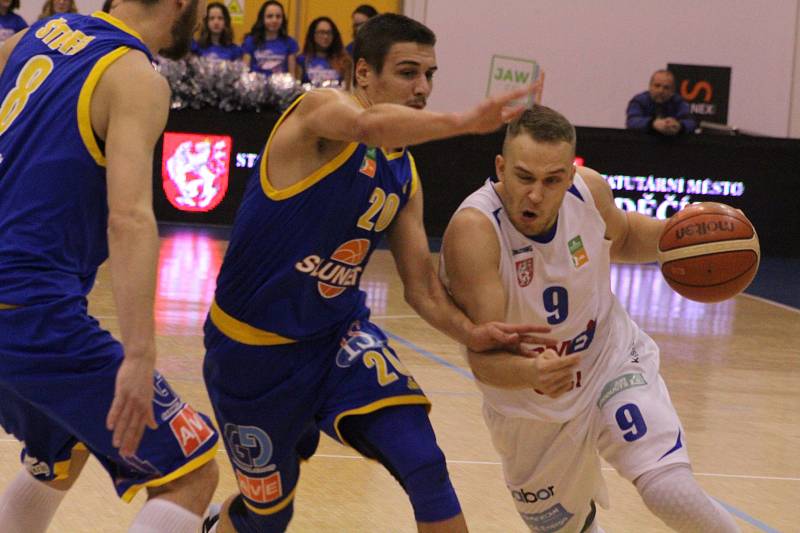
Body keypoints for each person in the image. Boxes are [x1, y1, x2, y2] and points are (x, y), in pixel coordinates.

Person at [201, 12, 544, 533]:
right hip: (251, 355)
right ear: (362, 73)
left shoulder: (404, 170)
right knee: (266, 520)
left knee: (425, 464)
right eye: (408, 72)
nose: (423, 87)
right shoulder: (318, 111)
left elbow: (423, 287)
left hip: (337, 341)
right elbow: (364, 126)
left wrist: (472, 331)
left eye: (430, 75)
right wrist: (464, 122)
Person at [440, 105, 740, 532]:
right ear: (501, 167)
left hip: (607, 361)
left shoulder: (589, 191)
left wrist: (686, 239)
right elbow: (483, 359)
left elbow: (627, 237)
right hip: (529, 403)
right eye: (524, 177)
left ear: (570, 173)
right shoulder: (475, 232)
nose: (536, 195)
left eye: (553, 180)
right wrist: (531, 372)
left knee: (667, 487)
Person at [0, 1, 221, 532]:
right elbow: (129, 220)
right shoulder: (133, 76)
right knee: (191, 478)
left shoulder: (40, 34)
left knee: (60, 451)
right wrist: (140, 354)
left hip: (20, 308)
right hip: (30, 311)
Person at [626, 69, 696, 135]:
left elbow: (691, 123)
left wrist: (679, 126)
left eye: (666, 88)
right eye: (657, 86)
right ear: (650, 87)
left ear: (672, 91)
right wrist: (653, 124)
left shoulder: (678, 102)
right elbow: (631, 122)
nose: (661, 91)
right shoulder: (639, 100)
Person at [241, 0, 297, 76]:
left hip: (280, 86)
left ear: (283, 19)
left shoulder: (290, 42)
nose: (274, 20)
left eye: (278, 16)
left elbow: (292, 75)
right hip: (256, 86)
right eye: (269, 16)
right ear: (262, 19)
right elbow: (244, 72)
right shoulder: (250, 41)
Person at [295, 16, 350, 87]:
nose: (325, 37)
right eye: (321, 32)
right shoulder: (302, 60)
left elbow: (347, 89)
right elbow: (297, 88)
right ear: (313, 35)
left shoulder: (343, 60)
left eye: (329, 33)